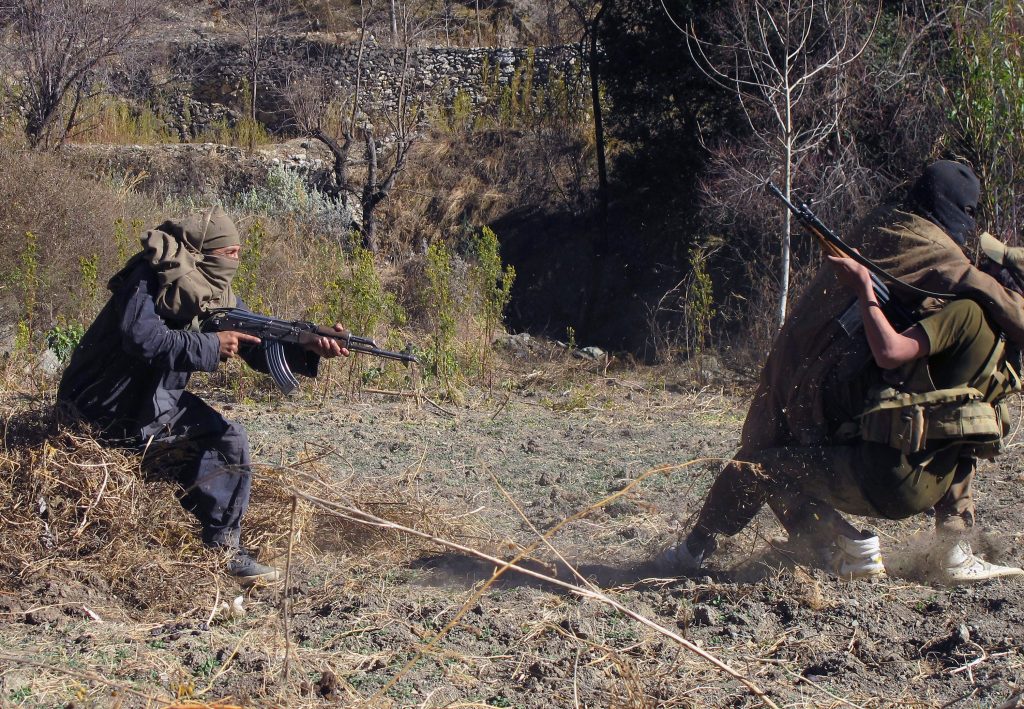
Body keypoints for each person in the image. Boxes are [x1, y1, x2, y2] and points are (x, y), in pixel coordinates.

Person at [662, 160, 1024, 583]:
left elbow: (890, 350)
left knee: (762, 466)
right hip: (924, 468)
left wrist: (867, 292)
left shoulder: (930, 260)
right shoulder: (989, 336)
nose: (987, 267)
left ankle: (721, 547)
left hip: (867, 448)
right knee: (965, 408)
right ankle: (952, 546)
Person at [57, 206, 348, 582]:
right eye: (230, 253)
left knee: (228, 440)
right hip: (99, 401)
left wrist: (307, 344)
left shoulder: (212, 291)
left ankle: (225, 549)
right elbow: (141, 338)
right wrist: (210, 345)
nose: (237, 261)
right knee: (219, 441)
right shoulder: (148, 278)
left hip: (153, 400)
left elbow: (256, 343)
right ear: (202, 253)